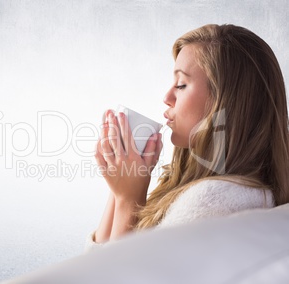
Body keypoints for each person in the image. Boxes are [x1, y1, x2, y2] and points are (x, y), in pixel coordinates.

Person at [86, 24, 289, 250]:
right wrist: (120, 186)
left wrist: (128, 200)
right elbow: (91, 268)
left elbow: (114, 275)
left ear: (225, 102)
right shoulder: (209, 189)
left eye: (181, 84)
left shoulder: (213, 201)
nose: (167, 97)